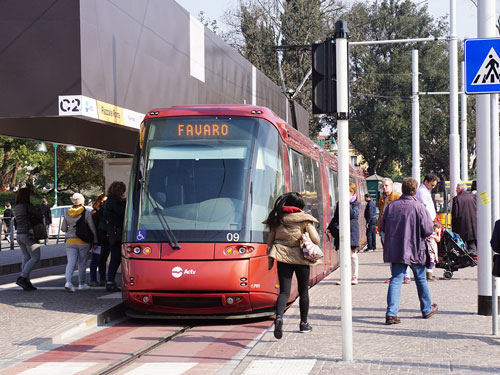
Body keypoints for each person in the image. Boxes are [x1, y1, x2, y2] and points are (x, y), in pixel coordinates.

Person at [381, 177, 438, 325]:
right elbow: (427, 230)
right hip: (415, 249)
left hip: (397, 249)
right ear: (415, 191)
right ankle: (426, 309)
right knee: (420, 279)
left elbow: (383, 227)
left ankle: (391, 313)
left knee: (396, 279)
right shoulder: (419, 207)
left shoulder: (392, 206)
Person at [264, 192, 320, 339]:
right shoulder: (304, 219)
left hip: (282, 258)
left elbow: (270, 241)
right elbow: (316, 240)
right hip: (301, 259)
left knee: (284, 292)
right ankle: (303, 323)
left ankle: (279, 318)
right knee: (303, 291)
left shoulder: (278, 219)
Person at [61, 193, 98, 292]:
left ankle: (68, 282)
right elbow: (92, 227)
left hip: (70, 241)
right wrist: (95, 240)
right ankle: (81, 284)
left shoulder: (67, 213)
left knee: (70, 263)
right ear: (82, 201)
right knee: (82, 263)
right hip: (83, 242)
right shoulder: (86, 213)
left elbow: (63, 228)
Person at [328, 183, 361, 285]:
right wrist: (329, 227)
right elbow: (336, 217)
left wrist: (346, 202)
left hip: (352, 232)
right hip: (341, 232)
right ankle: (344, 276)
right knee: (343, 256)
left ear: (352, 192)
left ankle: (354, 276)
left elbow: (353, 214)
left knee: (352, 255)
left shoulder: (356, 204)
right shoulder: (339, 203)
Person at [377, 178, 408, 284]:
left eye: (386, 185)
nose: (384, 187)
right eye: (383, 186)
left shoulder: (397, 197)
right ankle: (394, 275)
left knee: (400, 252)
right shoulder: (382, 198)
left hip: (394, 230)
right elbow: (381, 213)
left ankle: (406, 275)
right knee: (390, 254)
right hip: (384, 229)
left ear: (391, 186)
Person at [13, 188, 43, 290]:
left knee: (26, 258)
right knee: (35, 257)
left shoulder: (17, 207)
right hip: (29, 234)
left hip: (19, 235)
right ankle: (23, 277)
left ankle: (26, 282)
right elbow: (38, 215)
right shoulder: (28, 206)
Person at [103, 181, 126, 292]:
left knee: (115, 259)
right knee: (116, 258)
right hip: (117, 234)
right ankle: (110, 282)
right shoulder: (115, 202)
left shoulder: (109, 201)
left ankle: (110, 281)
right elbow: (122, 214)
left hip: (112, 233)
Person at [451, 182, 477, 255]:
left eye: (456, 189)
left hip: (461, 226)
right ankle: (473, 257)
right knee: (472, 245)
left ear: (459, 189)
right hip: (473, 224)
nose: (456, 190)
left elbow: (455, 215)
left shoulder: (457, 199)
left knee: (461, 245)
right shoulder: (473, 197)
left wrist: (454, 229)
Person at [89, 194, 108, 286]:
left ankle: (102, 279)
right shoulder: (95, 213)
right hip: (98, 240)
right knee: (95, 260)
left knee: (103, 260)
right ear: (99, 201)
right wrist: (94, 241)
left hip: (105, 239)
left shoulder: (106, 212)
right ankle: (93, 279)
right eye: (103, 201)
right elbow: (93, 228)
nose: (104, 203)